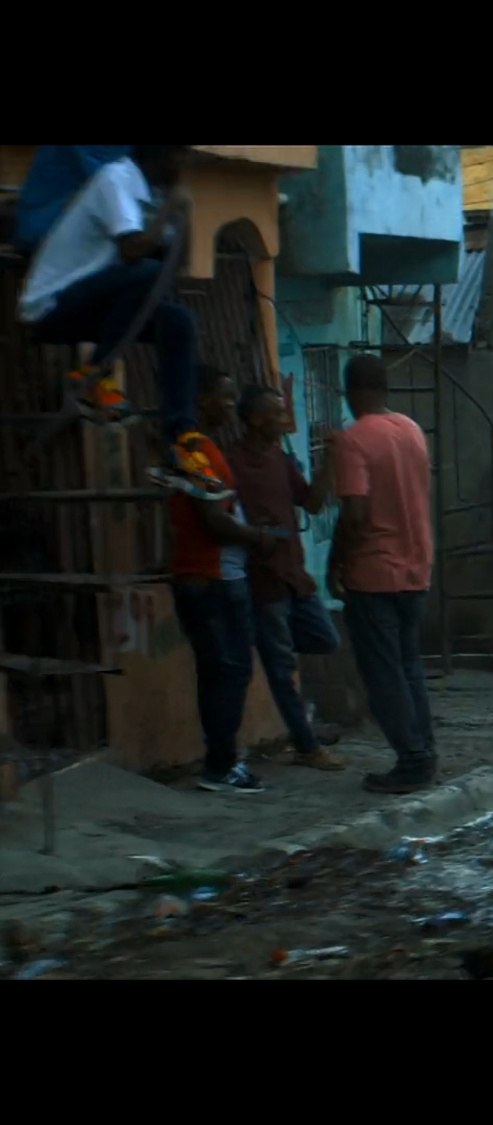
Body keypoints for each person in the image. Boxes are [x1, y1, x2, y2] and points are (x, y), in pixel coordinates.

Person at [15, 145, 223, 495]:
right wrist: (170, 208)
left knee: (179, 322)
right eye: (181, 154)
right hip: (51, 305)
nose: (187, 163)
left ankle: (180, 440)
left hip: (97, 303)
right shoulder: (115, 179)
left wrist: (183, 213)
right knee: (144, 272)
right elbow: (132, 252)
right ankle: (95, 374)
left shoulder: (150, 194)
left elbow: (174, 266)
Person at [330, 355, 438, 795]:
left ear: (352, 391)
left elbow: (354, 513)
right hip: (417, 566)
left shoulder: (352, 440)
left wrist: (335, 559)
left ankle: (411, 759)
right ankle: (423, 751)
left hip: (374, 570)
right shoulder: (411, 430)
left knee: (384, 674)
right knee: (409, 666)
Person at [171, 368, 283, 793]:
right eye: (224, 396)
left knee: (221, 672)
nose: (231, 406)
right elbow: (213, 518)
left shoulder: (202, 448)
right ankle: (221, 765)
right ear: (200, 400)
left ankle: (222, 760)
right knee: (230, 671)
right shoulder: (194, 448)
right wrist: (258, 537)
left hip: (213, 576)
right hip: (211, 577)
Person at [229, 383, 344, 771]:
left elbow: (311, 502)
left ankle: (304, 730)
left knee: (325, 639)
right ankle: (307, 745)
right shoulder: (233, 463)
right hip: (264, 579)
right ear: (256, 419)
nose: (284, 420)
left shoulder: (281, 459)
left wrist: (330, 461)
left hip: (294, 575)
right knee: (281, 669)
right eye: (277, 414)